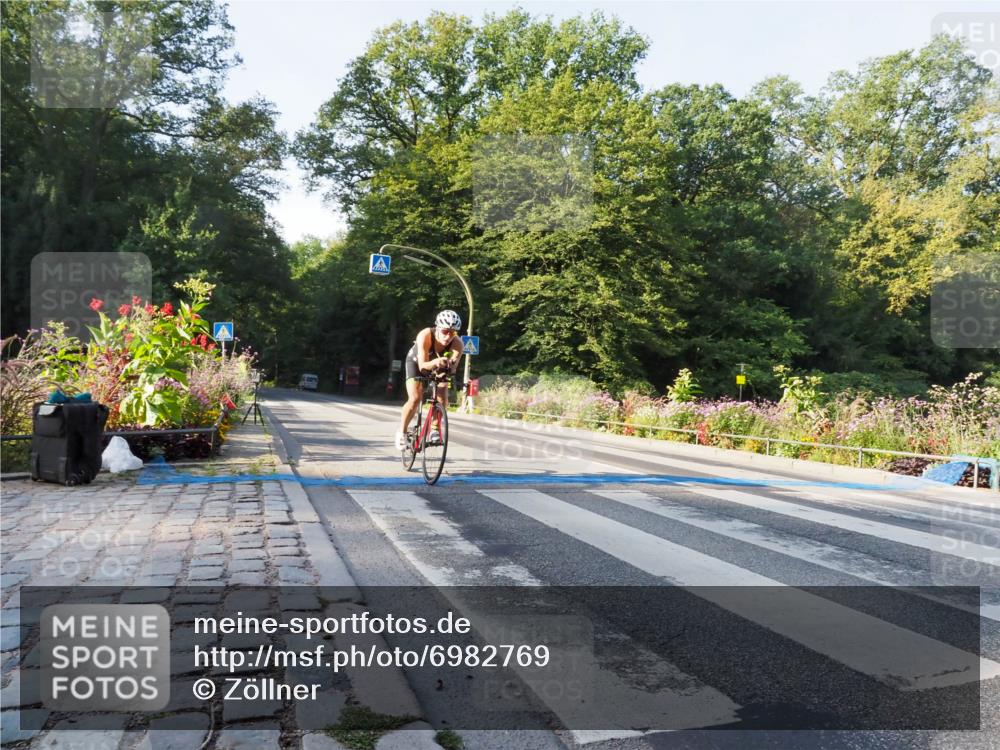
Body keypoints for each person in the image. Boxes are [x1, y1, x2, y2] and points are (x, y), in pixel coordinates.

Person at [396, 310, 464, 449]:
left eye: (453, 332)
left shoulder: (458, 344)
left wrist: (449, 367)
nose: (448, 336)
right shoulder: (425, 335)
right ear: (438, 328)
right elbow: (423, 366)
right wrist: (437, 362)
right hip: (417, 362)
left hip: (438, 365)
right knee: (415, 398)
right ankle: (402, 432)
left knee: (442, 392)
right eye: (445, 331)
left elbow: (453, 368)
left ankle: (434, 429)